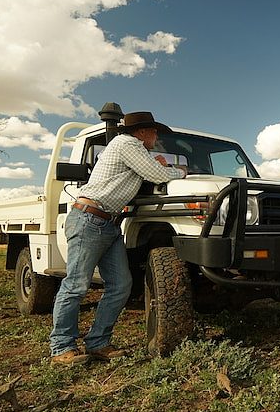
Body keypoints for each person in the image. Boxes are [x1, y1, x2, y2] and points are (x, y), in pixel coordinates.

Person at [50, 110, 186, 366]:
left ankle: (98, 342)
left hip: (107, 223)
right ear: (142, 132)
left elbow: (148, 171)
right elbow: (157, 175)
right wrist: (180, 172)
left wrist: (156, 164)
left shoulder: (134, 150)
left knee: (121, 285)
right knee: (76, 285)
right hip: (90, 219)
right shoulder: (127, 144)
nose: (156, 136)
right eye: (154, 131)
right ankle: (61, 347)